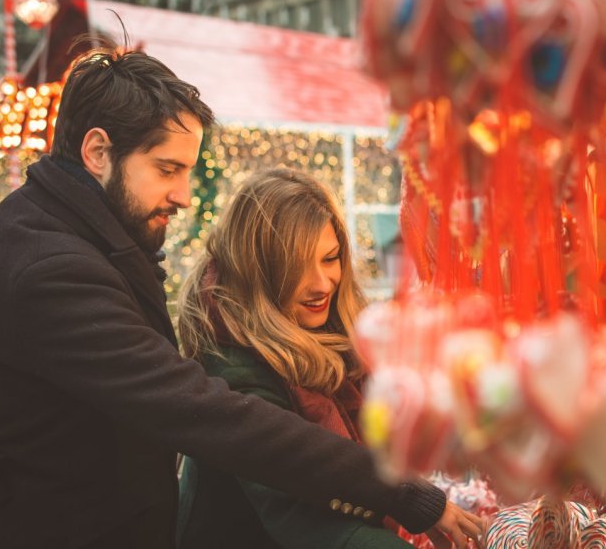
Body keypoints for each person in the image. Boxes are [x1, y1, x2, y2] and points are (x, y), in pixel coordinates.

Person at [0, 39, 481, 548]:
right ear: (98, 151)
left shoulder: (68, 232)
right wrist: (404, 492)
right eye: (168, 169)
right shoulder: (53, 270)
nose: (184, 195)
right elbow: (205, 413)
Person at [176, 168, 481, 549]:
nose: (322, 283)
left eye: (330, 258)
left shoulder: (339, 334)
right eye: (296, 267)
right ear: (259, 271)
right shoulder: (233, 366)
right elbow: (305, 519)